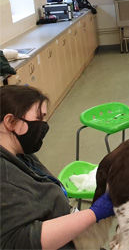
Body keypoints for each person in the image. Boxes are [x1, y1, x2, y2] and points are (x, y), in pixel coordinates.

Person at [0, 85, 115, 249]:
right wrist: (94, 214)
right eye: (38, 118)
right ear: (10, 121)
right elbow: (20, 242)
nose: (43, 125)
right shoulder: (4, 178)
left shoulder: (21, 154)